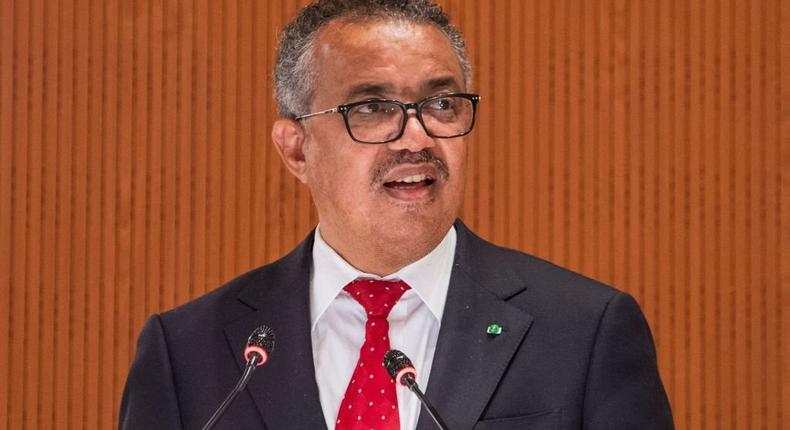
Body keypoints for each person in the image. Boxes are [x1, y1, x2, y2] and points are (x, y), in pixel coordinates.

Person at [119, 0, 674, 429]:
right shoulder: (188, 352)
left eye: (441, 104)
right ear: (296, 149)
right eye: (373, 108)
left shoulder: (584, 332)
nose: (417, 136)